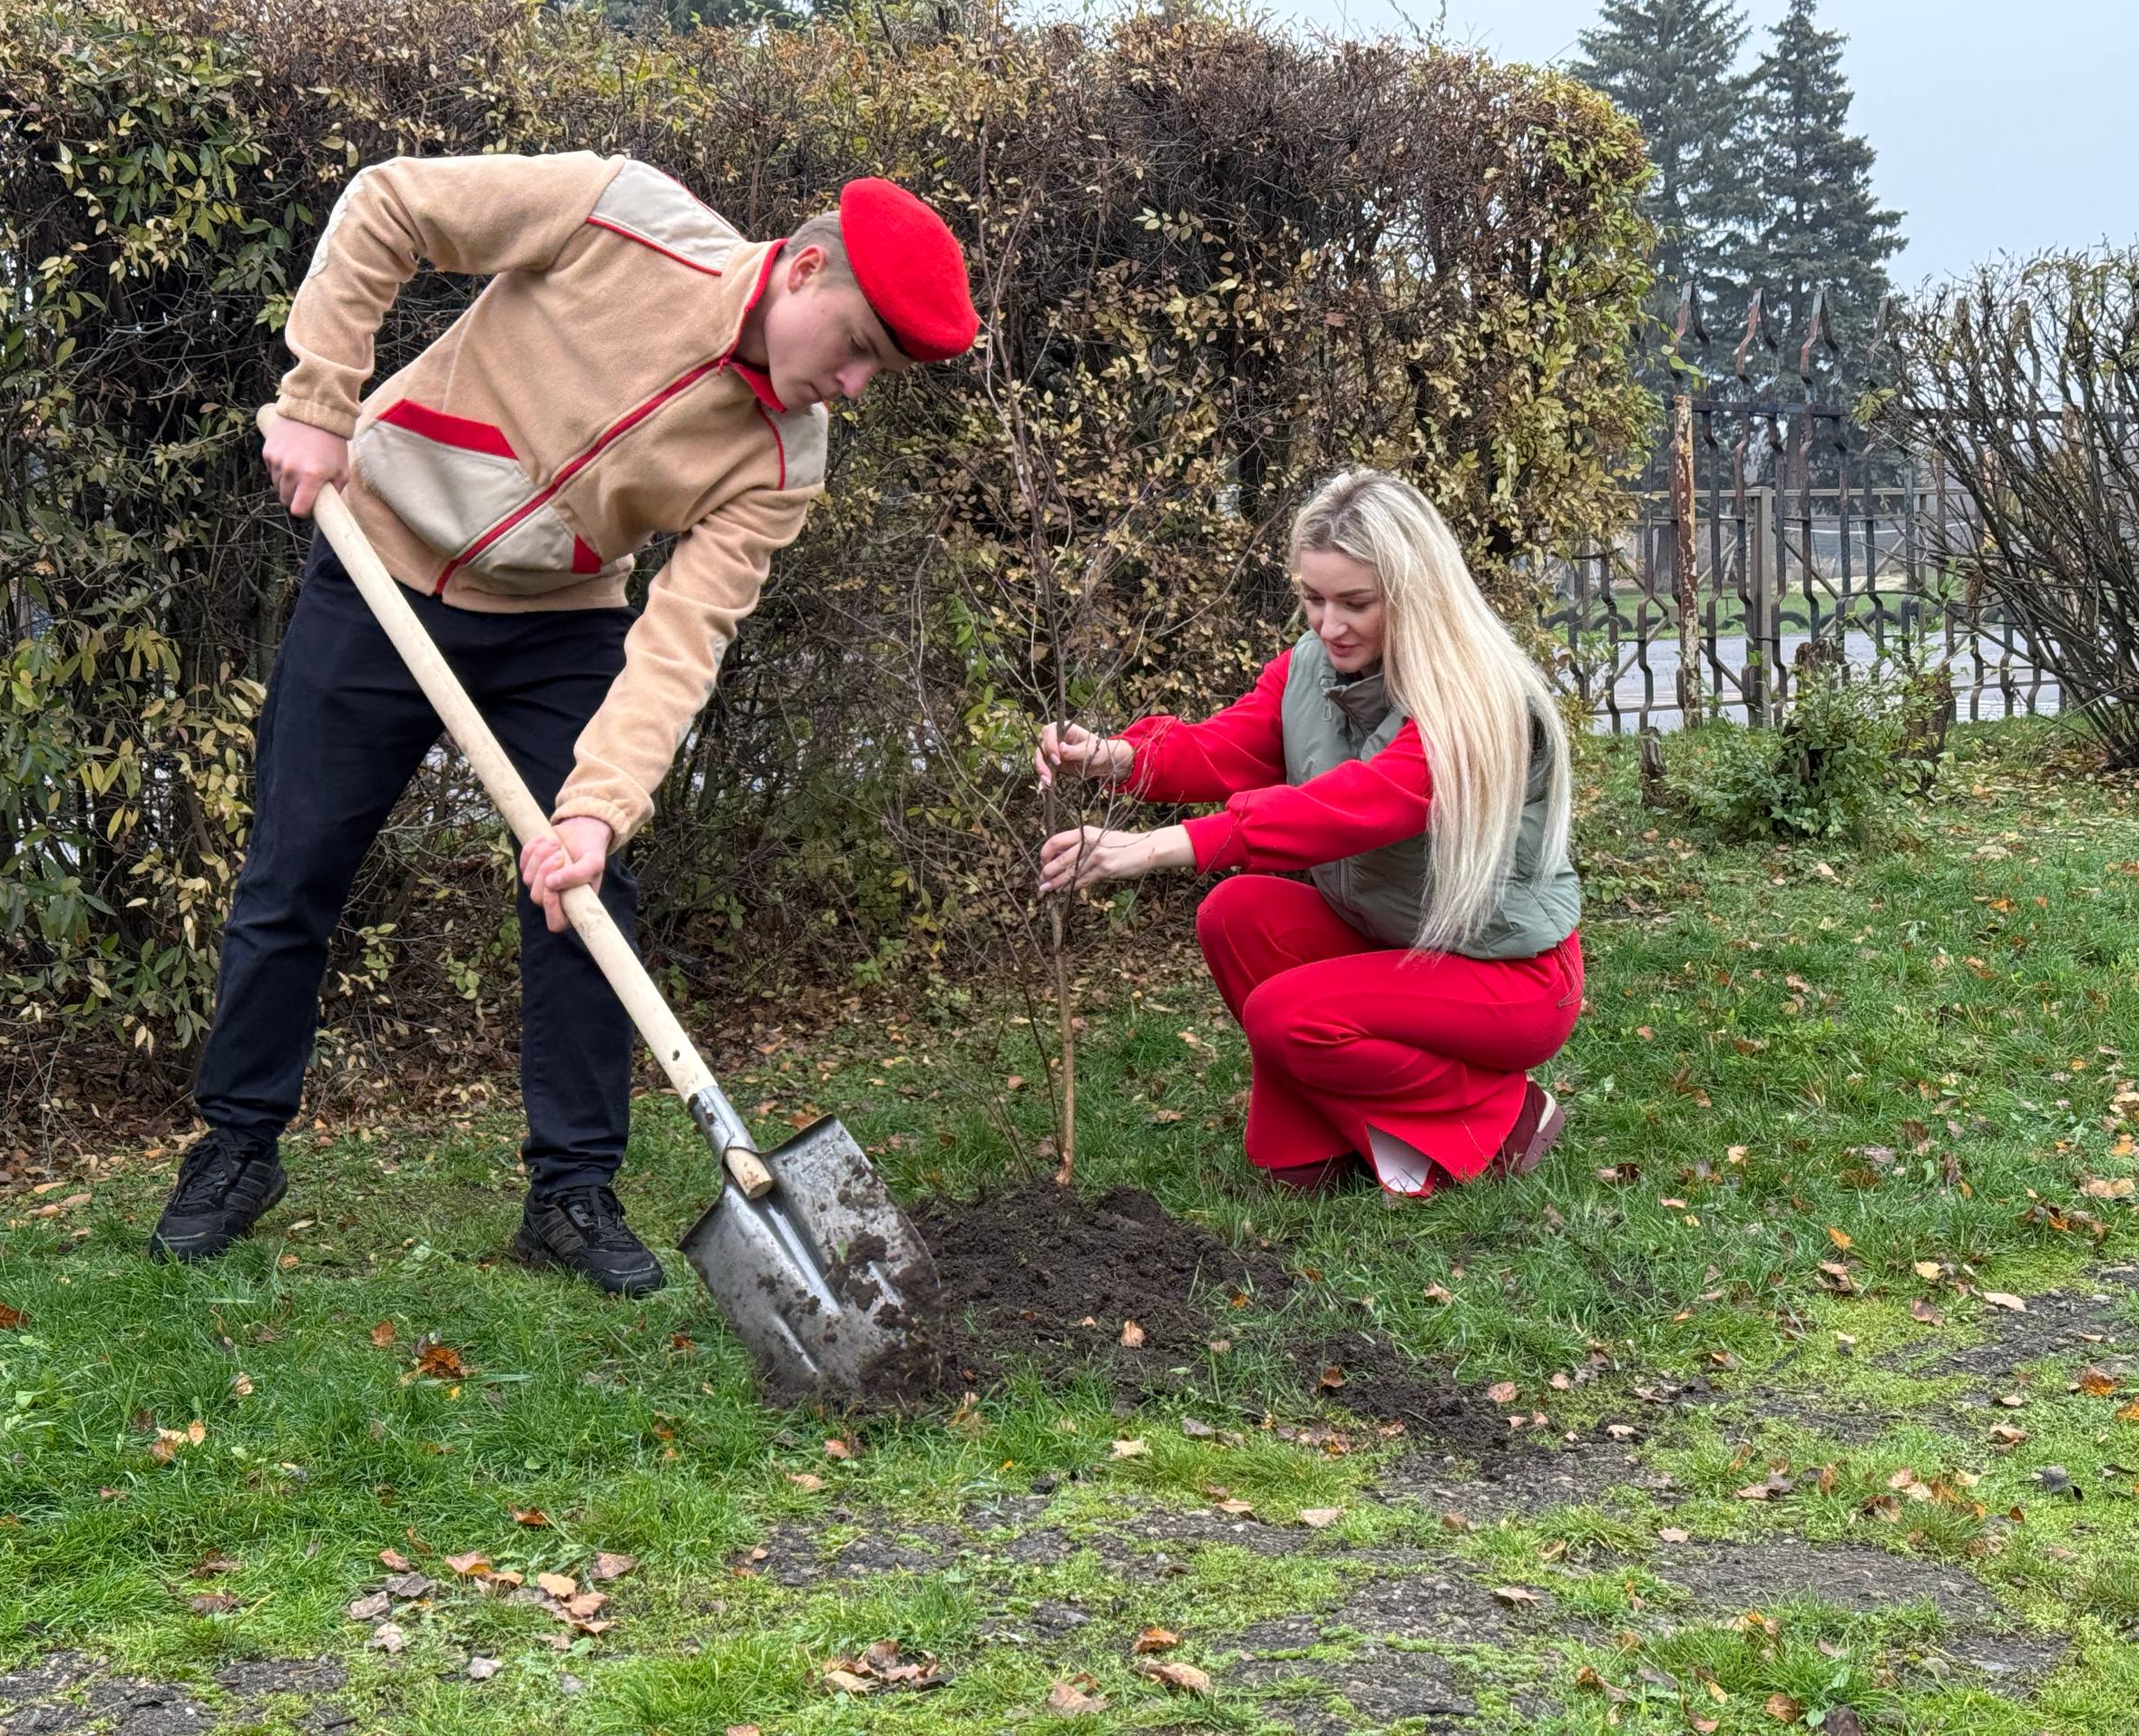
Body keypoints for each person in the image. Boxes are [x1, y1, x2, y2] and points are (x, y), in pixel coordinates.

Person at [149, 157, 978, 1289]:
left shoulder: (784, 458)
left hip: (555, 622)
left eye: (877, 371)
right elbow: (390, 204)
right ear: (805, 267)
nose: (854, 384)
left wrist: (596, 808)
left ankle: (572, 1193)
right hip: (378, 559)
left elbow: (685, 638)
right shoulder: (622, 215)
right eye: (857, 349)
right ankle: (237, 1148)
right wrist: (317, 402)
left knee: (584, 891)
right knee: (295, 865)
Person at [1034, 468, 1583, 1196]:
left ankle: (1506, 1114)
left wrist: (1159, 847)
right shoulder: (1311, 666)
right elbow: (1228, 746)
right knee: (1235, 915)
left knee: (1288, 1017)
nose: (1329, 626)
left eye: (1355, 602)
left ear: (1416, 594)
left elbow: (1360, 805)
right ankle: (1335, 1143)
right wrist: (1115, 755)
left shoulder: (1480, 703)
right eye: (1313, 598)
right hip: (1395, 939)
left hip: (1505, 977)